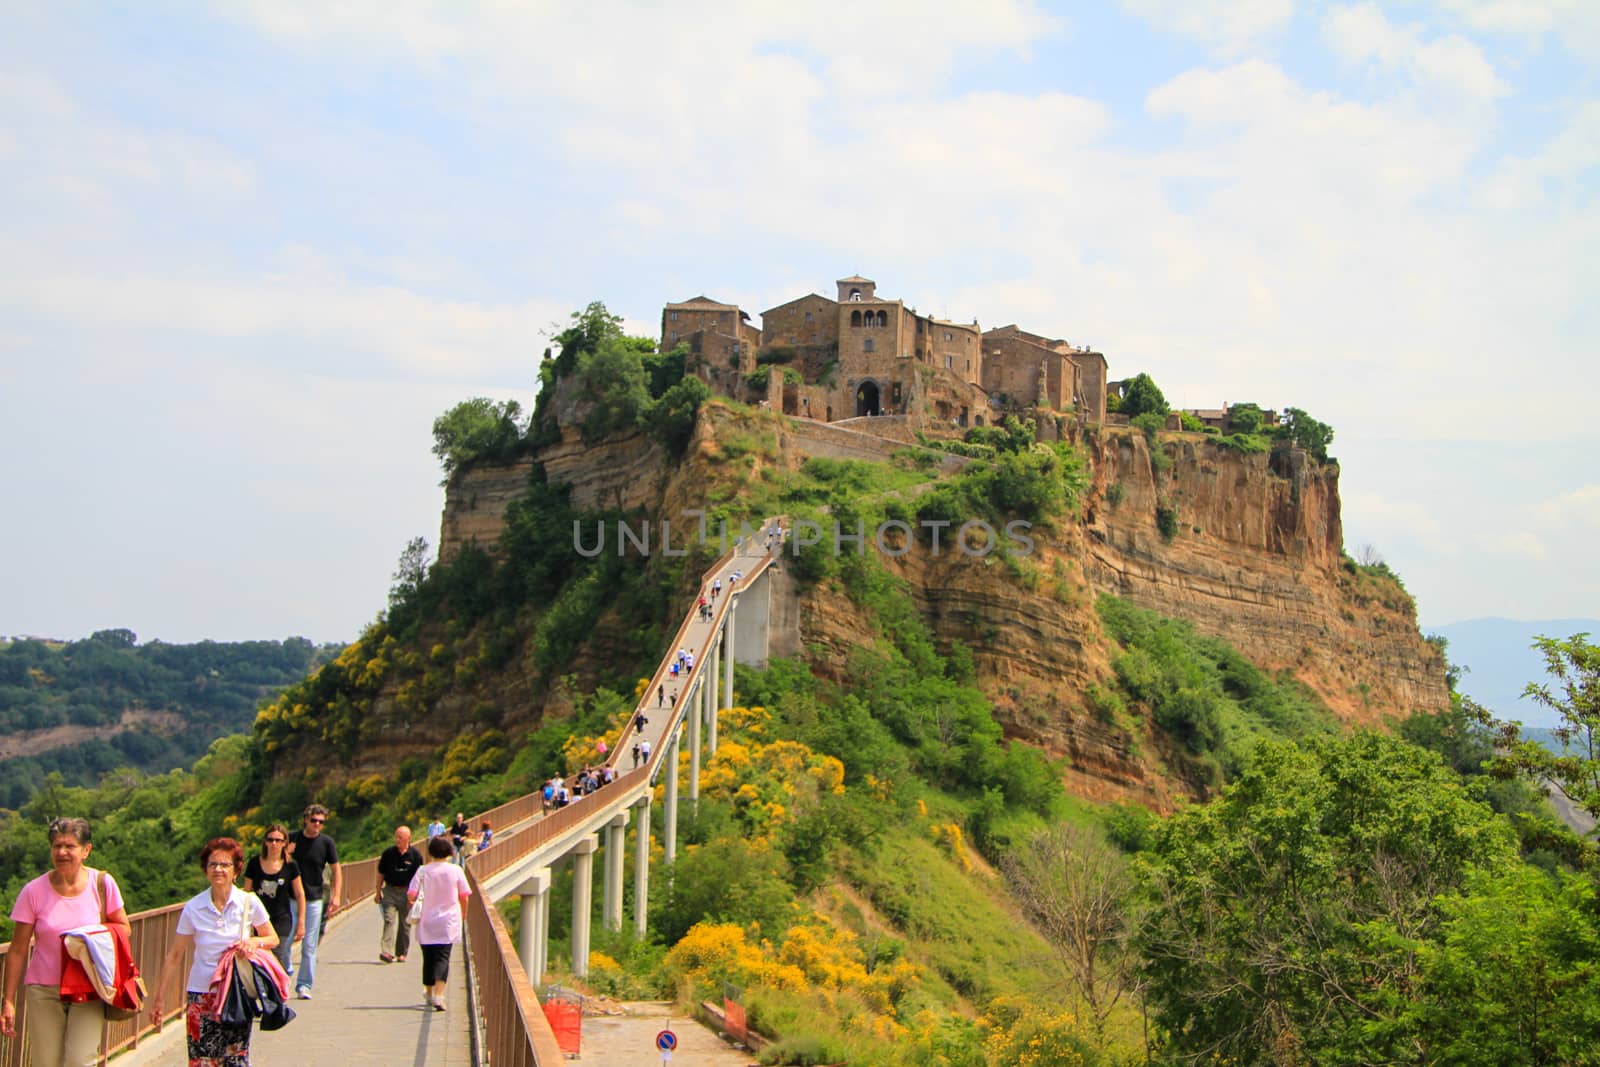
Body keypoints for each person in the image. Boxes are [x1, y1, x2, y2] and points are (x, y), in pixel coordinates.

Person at [1, 817, 129, 1066]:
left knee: (80, 1061)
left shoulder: (102, 884)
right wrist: (8, 1001)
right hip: (44, 990)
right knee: (45, 1062)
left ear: (86, 850)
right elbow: (17, 950)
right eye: (56, 846)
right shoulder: (33, 891)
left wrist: (91, 937)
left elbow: (124, 928)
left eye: (69, 846)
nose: (62, 852)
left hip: (88, 987)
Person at [151, 837, 278, 1066]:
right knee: (201, 1059)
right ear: (206, 870)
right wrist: (159, 998)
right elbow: (175, 955)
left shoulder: (248, 903)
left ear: (236, 870)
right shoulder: (194, 907)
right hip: (201, 993)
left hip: (235, 993)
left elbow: (272, 938)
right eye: (213, 864)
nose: (218, 869)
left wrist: (253, 942)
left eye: (225, 864)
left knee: (235, 1058)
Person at [407, 836, 471, 1011]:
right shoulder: (456, 870)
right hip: (448, 920)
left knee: (428, 958)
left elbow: (411, 894)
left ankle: (428, 992)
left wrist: (416, 903)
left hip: (427, 920)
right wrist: (463, 914)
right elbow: (464, 896)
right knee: (443, 957)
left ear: (430, 852)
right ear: (449, 852)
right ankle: (439, 995)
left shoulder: (422, 871)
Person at [286, 803, 340, 999]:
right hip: (290, 898)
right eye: (314, 820)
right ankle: (285, 976)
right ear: (306, 820)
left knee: (310, 944)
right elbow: (275, 861)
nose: (317, 824)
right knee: (286, 940)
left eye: (321, 822)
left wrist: (336, 895)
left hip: (314, 898)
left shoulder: (326, 843)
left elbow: (336, 869)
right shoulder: (292, 838)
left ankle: (304, 985)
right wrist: (287, 852)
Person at [243, 822, 304, 976]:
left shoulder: (291, 865)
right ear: (265, 842)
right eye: (270, 840)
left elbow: (299, 894)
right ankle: (263, 990)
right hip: (258, 919)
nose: (274, 844)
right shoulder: (254, 864)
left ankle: (278, 992)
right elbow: (247, 892)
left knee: (278, 955)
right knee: (257, 957)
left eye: (278, 840)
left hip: (281, 918)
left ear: (285, 843)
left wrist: (301, 921)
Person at [374, 824, 423, 964]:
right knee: (389, 919)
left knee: (405, 923)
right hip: (390, 890)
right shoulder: (388, 853)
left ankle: (401, 952)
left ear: (408, 838)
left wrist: (417, 895)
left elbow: (419, 876)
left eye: (400, 837)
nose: (397, 840)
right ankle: (386, 952)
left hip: (407, 892)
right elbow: (380, 873)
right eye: (396, 837)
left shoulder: (415, 855)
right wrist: (378, 891)